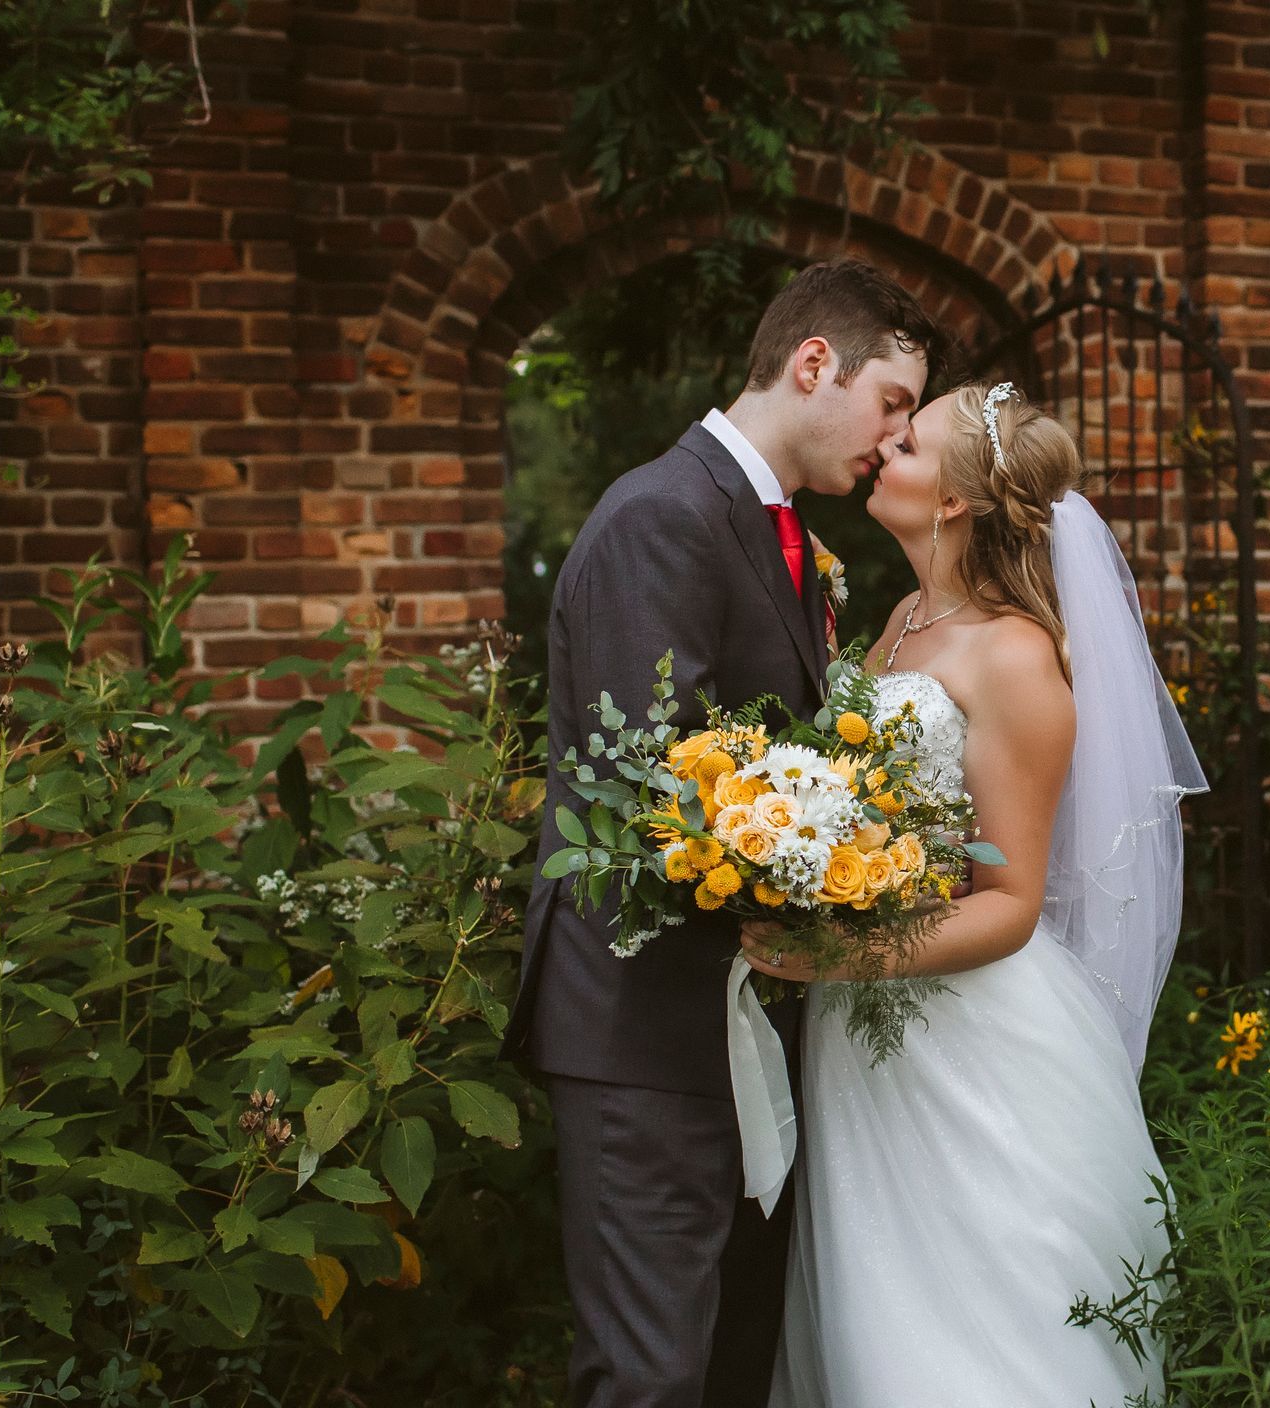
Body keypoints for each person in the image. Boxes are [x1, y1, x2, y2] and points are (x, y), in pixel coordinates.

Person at [501, 259, 943, 1408]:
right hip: (644, 1027)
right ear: (813, 364)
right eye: (890, 402)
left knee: (731, 1364)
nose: (893, 442)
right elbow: (644, 785)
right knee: (651, 1375)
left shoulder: (777, 530)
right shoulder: (664, 516)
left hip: (740, 1027)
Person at [740, 382, 1208, 1406]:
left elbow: (1010, 901)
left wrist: (837, 954)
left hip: (969, 1040)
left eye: (907, 441)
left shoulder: (1015, 655)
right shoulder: (905, 617)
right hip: (866, 1034)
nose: (883, 446)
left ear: (953, 499)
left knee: (970, 1331)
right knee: (868, 1307)